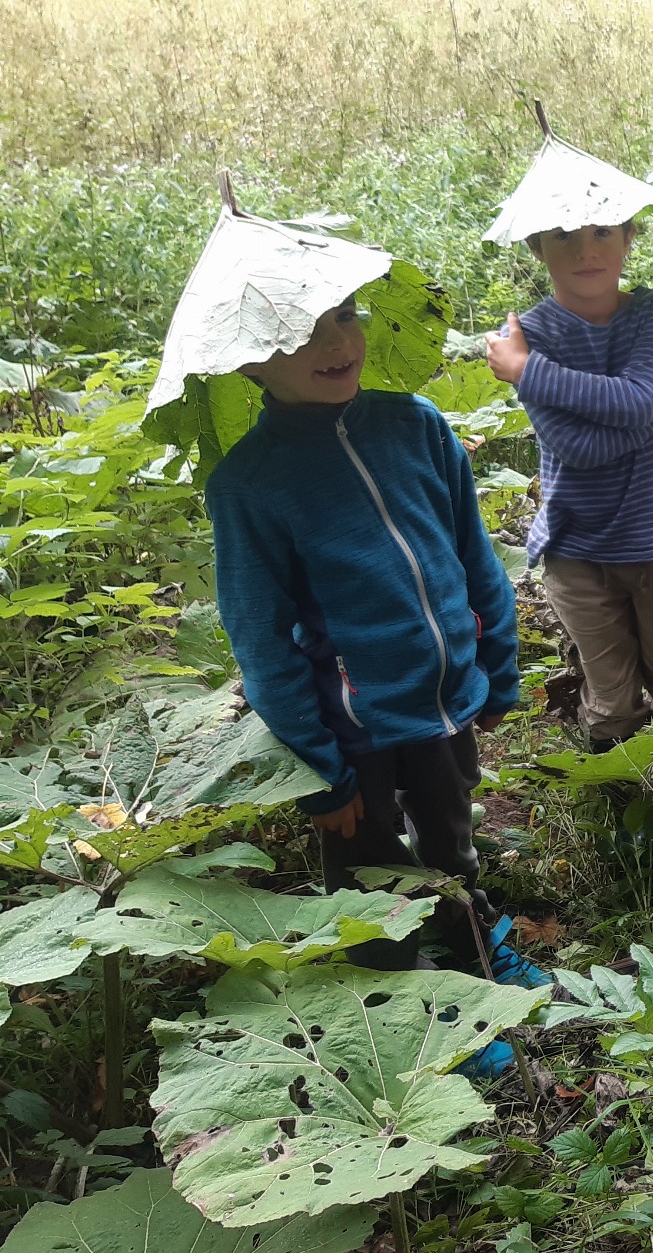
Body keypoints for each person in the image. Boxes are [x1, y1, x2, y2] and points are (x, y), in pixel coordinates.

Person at [155, 203, 547, 1081]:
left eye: (340, 314)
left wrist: (498, 662)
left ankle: (473, 958)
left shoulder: (415, 426)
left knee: (449, 843)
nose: (334, 342)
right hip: (354, 730)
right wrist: (317, 768)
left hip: (443, 702)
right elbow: (260, 637)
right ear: (249, 359)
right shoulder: (251, 482)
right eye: (299, 333)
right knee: (373, 882)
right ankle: (410, 1018)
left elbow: (470, 552)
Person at [482, 125, 653, 750]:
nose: (586, 249)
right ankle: (622, 817)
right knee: (611, 702)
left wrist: (529, 372)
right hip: (578, 547)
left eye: (603, 230)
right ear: (536, 245)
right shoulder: (531, 331)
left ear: (630, 235)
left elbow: (634, 401)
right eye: (563, 234)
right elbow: (579, 450)